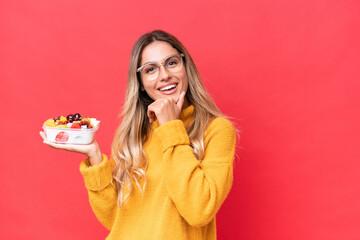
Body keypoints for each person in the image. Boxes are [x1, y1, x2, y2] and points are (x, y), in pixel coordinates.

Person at [40, 30, 237, 240]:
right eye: (151, 69)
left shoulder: (216, 130)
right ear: (141, 84)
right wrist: (95, 157)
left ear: (185, 66)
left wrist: (171, 127)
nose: (164, 75)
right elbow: (118, 220)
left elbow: (199, 210)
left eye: (171, 63)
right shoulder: (133, 136)